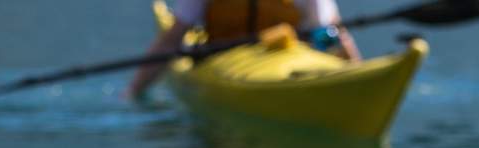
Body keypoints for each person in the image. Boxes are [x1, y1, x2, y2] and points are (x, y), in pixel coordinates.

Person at [128, 0, 363, 100]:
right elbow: (172, 40)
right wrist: (134, 90)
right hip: (225, 57)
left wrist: (359, 78)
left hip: (292, 57)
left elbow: (333, 34)